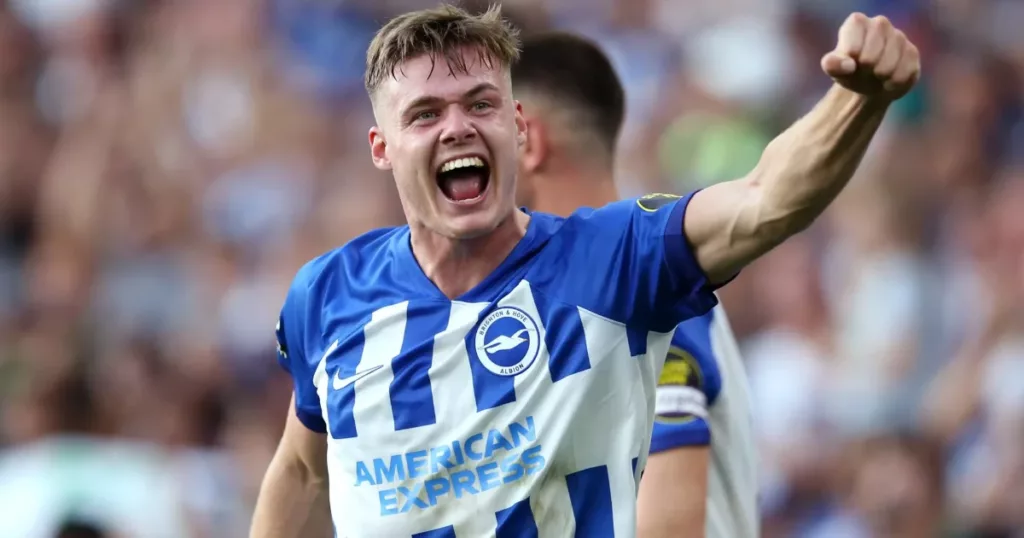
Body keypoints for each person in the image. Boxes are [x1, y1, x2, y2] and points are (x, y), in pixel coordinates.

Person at [249, 4, 920, 537]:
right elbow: (305, 475)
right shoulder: (328, 294)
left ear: (517, 126)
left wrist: (856, 103)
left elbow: (764, 200)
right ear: (382, 147)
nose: (456, 128)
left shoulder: (613, 263)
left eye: (479, 104)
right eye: (424, 114)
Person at [510, 32, 757, 538]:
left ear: (527, 140)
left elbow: (669, 525)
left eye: (485, 120)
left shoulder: (641, 285)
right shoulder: (586, 288)